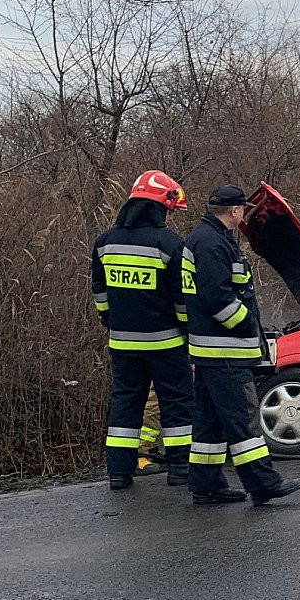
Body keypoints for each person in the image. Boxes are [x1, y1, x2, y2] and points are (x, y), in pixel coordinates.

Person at [182, 185, 300, 506]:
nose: (244, 215)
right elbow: (218, 298)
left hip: (212, 351)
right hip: (225, 350)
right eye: (242, 210)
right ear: (235, 210)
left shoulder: (207, 238)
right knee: (243, 417)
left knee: (209, 423)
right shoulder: (211, 243)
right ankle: (263, 483)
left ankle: (207, 485)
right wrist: (248, 324)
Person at [90, 170, 193, 491]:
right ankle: (180, 468)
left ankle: (119, 473)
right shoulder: (171, 244)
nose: (170, 217)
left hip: (122, 343)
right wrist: (187, 331)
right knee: (176, 403)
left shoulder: (105, 242)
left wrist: (111, 320)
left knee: (125, 404)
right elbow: (181, 299)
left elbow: (100, 293)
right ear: (160, 207)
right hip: (166, 343)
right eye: (169, 211)